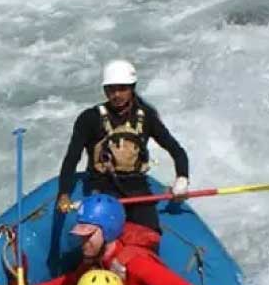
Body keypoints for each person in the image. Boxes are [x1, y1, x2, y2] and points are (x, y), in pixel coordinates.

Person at [26, 193, 197, 285]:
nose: (83, 242)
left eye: (89, 235)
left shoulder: (135, 262)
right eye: (81, 236)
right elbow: (75, 280)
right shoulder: (96, 258)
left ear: (108, 232)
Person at [56, 59, 190, 232]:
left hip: (137, 187)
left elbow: (177, 151)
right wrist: (64, 194)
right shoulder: (89, 118)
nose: (116, 94)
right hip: (102, 189)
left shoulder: (146, 116)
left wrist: (182, 179)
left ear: (132, 88)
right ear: (104, 90)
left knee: (149, 236)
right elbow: (72, 158)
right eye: (111, 89)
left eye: (122, 88)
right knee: (101, 239)